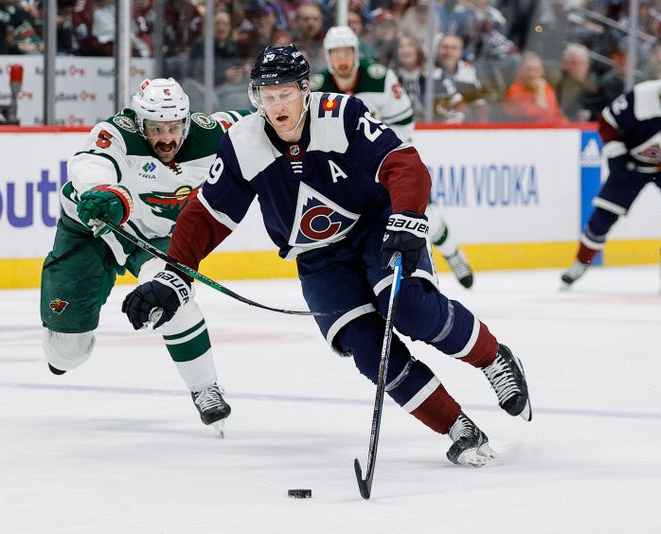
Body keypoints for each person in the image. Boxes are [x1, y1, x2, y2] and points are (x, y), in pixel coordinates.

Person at [122, 46, 532, 466]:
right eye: (266, 95)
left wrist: (408, 217)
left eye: (284, 94)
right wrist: (175, 277)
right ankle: (457, 427)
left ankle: (492, 357)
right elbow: (206, 215)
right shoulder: (243, 143)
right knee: (369, 350)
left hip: (376, 228)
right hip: (318, 258)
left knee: (409, 308)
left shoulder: (342, 115)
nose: (276, 105)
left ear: (305, 90)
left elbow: (403, 163)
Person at [40, 78, 248, 432]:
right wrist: (104, 191)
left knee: (173, 296)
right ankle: (67, 339)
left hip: (154, 240)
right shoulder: (117, 132)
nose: (166, 138)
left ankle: (205, 389)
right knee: (66, 354)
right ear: (139, 123)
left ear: (186, 121)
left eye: (173, 128)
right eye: (155, 128)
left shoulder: (214, 133)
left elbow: (267, 121)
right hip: (94, 230)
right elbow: (90, 162)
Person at [311, 26, 475, 288]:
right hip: (344, 172)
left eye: (346, 53)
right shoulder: (318, 88)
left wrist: (387, 159)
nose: (342, 60)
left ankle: (453, 254)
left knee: (424, 216)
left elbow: (403, 123)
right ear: (328, 58)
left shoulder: (380, 78)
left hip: (384, 162)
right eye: (335, 54)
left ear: (356, 54)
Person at [561, 58, 661, 293]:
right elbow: (607, 122)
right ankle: (580, 263)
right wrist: (617, 157)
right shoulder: (642, 96)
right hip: (631, 165)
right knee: (604, 215)